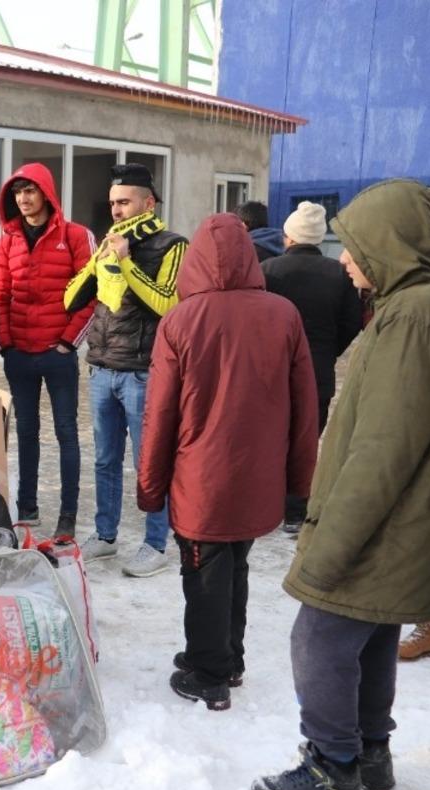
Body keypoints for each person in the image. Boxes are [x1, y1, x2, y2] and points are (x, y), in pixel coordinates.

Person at [251, 180, 430, 790]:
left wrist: (332, 543)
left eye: (353, 246)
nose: (345, 259)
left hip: (381, 520)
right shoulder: (414, 306)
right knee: (375, 630)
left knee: (319, 635)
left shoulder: (411, 315)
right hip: (406, 520)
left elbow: (384, 447)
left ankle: (332, 766)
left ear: (391, 243)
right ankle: (372, 755)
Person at [137, 213, 318, 712]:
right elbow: (307, 405)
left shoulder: (180, 321)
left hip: (203, 478)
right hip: (257, 474)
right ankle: (226, 656)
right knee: (234, 563)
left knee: (204, 571)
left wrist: (150, 486)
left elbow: (161, 414)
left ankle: (209, 673)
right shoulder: (283, 315)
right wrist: (299, 478)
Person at [64, 163, 187, 577]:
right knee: (105, 459)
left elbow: (168, 304)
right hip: (101, 366)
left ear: (148, 202)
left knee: (147, 462)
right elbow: (73, 298)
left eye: (125, 202)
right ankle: (105, 535)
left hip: (142, 371)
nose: (116, 210)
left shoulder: (173, 245)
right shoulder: (109, 244)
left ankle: (156, 543)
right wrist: (99, 262)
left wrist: (127, 263)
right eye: (113, 203)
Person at [0, 163, 96, 533]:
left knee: (66, 432)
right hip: (20, 354)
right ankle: (28, 508)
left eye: (30, 190)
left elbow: (91, 291)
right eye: (17, 191)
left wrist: (68, 342)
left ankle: (68, 515)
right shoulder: (7, 240)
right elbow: (0, 295)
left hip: (58, 355)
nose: (23, 198)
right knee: (27, 433)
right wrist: (6, 344)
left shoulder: (76, 236)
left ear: (47, 194)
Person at [262, 201, 362, 533]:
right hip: (318, 370)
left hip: (275, 370)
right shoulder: (339, 274)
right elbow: (352, 322)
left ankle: (268, 504)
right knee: (306, 439)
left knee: (273, 437)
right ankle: (295, 510)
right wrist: (328, 351)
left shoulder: (270, 270)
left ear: (288, 236)